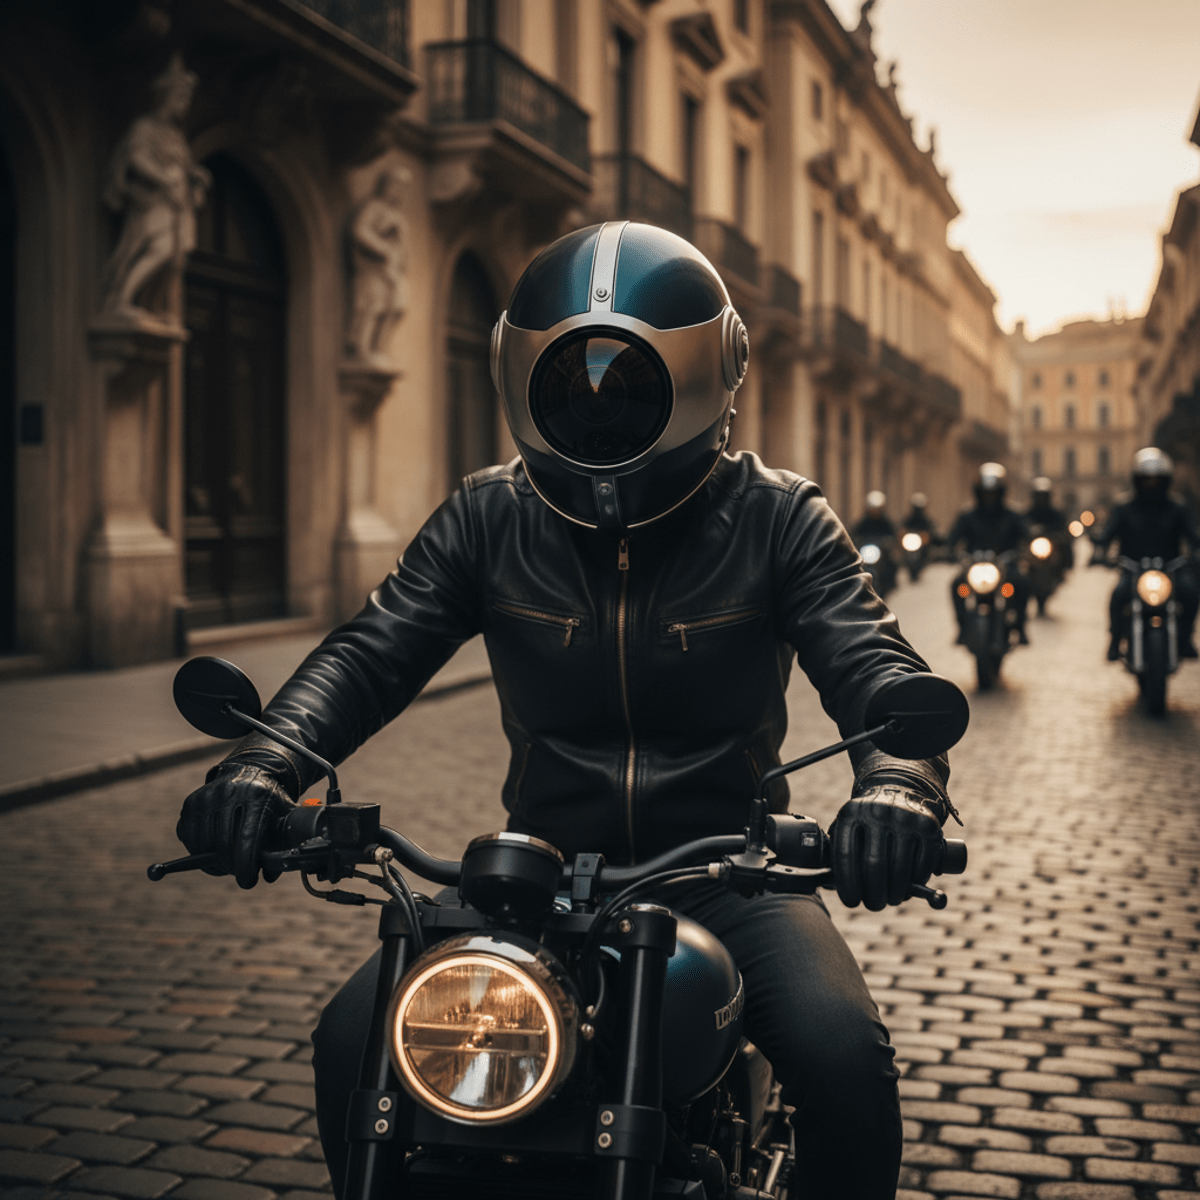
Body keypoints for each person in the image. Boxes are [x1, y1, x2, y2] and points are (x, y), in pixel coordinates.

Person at [175, 222, 957, 1200]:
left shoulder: (777, 518)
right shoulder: (486, 517)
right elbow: (371, 652)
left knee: (844, 1060)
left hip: (730, 871)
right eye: (575, 383)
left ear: (709, 372)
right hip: (536, 880)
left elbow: (875, 664)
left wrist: (899, 785)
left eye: (622, 385)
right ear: (524, 377)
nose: (596, 406)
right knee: (351, 1043)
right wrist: (264, 763)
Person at [1091, 447, 1199, 660]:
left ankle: (1186, 639)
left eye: (1156, 480)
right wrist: (1100, 546)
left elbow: (1192, 536)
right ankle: (1114, 639)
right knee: (1118, 595)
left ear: (1165, 481)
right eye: (1146, 480)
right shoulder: (1124, 508)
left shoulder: (1177, 508)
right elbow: (1109, 532)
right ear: (1136, 480)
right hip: (1133, 570)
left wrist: (1196, 549)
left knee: (1190, 593)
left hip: (1170, 570)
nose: (1151, 485)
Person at [946, 463, 1031, 642]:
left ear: (1001, 493)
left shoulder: (1013, 516)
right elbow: (952, 538)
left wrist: (1026, 551)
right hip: (973, 567)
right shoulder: (967, 515)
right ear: (978, 492)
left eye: (993, 493)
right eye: (986, 493)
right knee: (958, 586)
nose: (989, 497)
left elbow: (1027, 536)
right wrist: (947, 550)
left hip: (1006, 566)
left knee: (1021, 584)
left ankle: (1020, 626)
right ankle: (962, 626)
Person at [850, 490, 899, 595]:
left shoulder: (886, 522)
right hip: (866, 551)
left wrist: (889, 542)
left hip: (881, 551)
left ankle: (891, 582)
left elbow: (893, 534)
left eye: (876, 509)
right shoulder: (863, 522)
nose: (874, 511)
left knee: (891, 561)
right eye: (872, 509)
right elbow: (854, 534)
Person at [1025, 476, 1072, 572]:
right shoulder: (1028, 514)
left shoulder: (1057, 515)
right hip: (1033, 550)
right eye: (1039, 496)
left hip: (1052, 548)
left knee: (1064, 550)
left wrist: (1059, 535)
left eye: (1044, 496)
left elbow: (1064, 530)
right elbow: (1022, 527)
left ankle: (1064, 567)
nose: (1041, 499)